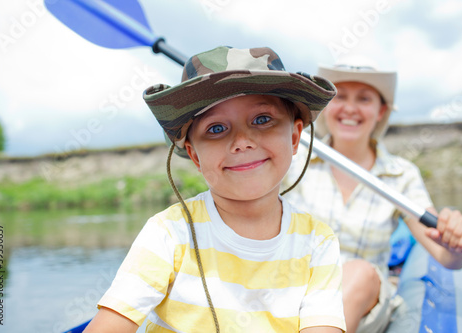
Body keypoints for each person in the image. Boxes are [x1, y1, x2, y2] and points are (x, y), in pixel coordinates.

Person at [84, 46, 346, 333]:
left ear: (295, 137)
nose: (242, 141)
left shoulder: (317, 242)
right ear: (195, 156)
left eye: (262, 120)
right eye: (217, 129)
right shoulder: (171, 233)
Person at [284, 56, 462, 333]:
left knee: (358, 272)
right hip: (293, 287)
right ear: (326, 106)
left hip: (364, 298)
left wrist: (456, 239)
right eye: (340, 97)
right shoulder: (293, 158)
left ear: (381, 110)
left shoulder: (400, 174)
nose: (350, 108)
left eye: (364, 99)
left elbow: (446, 257)